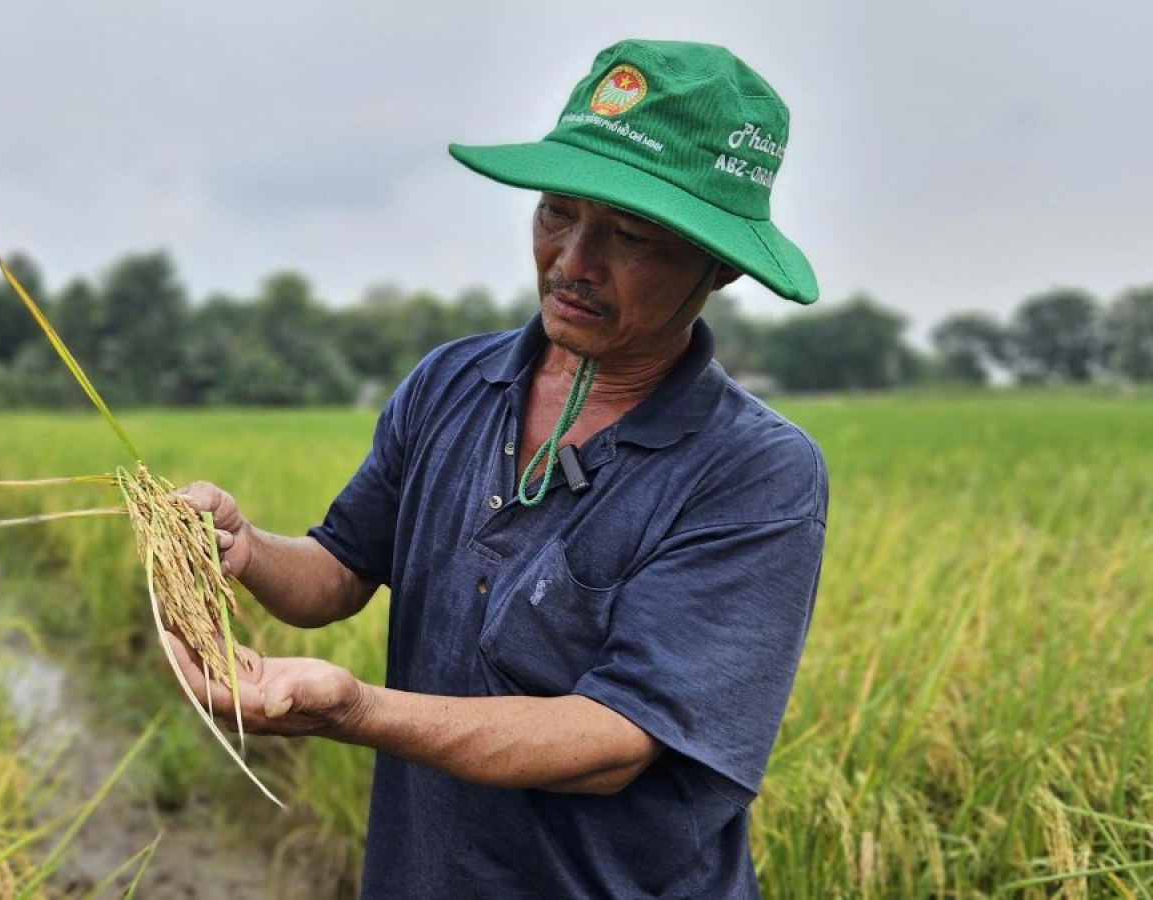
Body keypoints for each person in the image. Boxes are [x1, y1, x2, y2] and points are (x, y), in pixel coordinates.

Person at [168, 39, 828, 899]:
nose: (573, 262)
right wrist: (245, 548)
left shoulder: (753, 472)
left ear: (720, 266)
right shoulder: (453, 382)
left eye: (629, 236)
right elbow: (337, 571)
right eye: (557, 213)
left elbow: (613, 742)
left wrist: (356, 709)